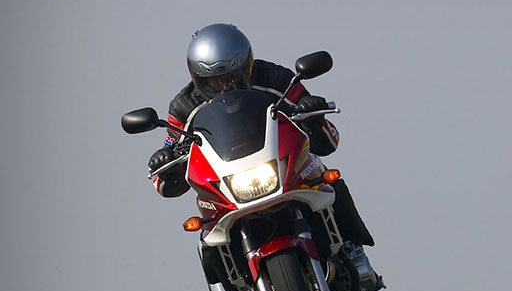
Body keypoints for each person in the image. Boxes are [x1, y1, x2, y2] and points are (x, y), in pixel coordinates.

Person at [148, 22, 375, 248]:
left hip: (282, 165)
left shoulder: (275, 79)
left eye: (233, 76)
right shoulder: (184, 107)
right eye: (215, 80)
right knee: (207, 237)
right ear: (198, 77)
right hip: (227, 183)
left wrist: (313, 114)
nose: (226, 85)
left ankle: (354, 249)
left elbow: (328, 140)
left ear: (246, 65)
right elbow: (167, 165)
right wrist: (165, 162)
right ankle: (226, 271)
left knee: (323, 177)